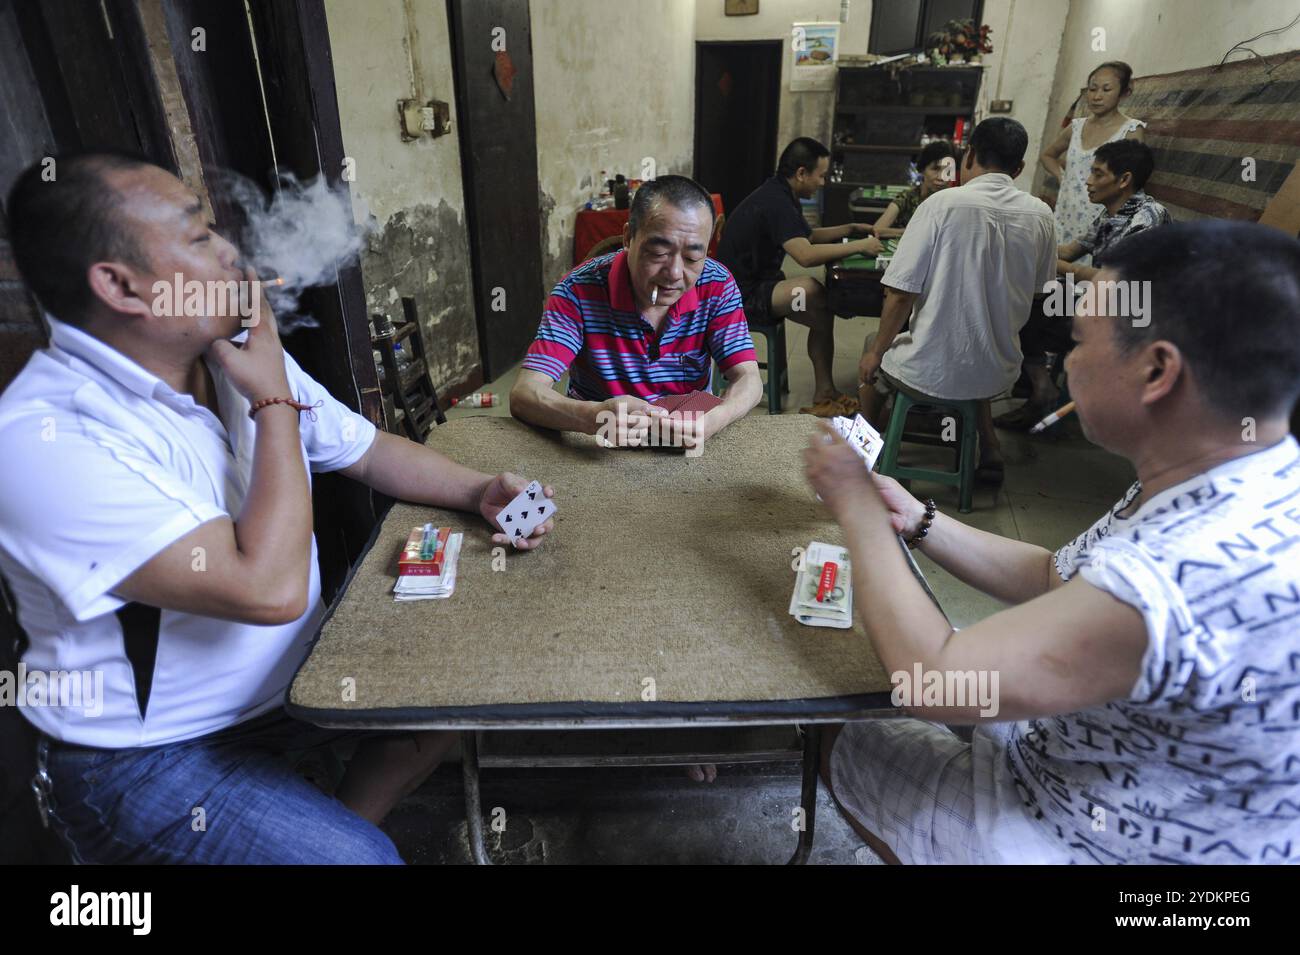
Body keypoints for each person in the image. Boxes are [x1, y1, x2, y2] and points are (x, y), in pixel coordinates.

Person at [0, 152, 555, 864]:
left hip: (293, 691)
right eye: (199, 237)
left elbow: (365, 451)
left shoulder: (222, 352)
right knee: (360, 863)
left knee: (453, 696)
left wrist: (479, 489)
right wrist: (271, 403)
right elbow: (269, 590)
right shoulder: (40, 440)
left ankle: (331, 826)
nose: (232, 250)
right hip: (149, 758)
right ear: (120, 285)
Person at [807, 220, 1300, 864]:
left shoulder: (1181, 571)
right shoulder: (1240, 470)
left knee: (832, 727)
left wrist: (857, 511)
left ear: (1157, 370)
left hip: (1097, 848)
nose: (1068, 363)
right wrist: (916, 519)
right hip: (1091, 764)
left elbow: (934, 682)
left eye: (1078, 341)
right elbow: (1053, 576)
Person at [857, 118, 1056, 482]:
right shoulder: (1041, 215)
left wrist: (874, 355)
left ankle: (864, 454)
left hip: (932, 370)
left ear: (969, 155)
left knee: (874, 349)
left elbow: (901, 295)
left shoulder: (941, 205)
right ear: (1020, 167)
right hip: (998, 372)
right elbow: (1040, 292)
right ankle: (990, 449)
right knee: (973, 356)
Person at [511, 175, 762, 451]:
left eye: (692, 257)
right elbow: (525, 394)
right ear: (628, 237)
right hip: (599, 444)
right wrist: (593, 416)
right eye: (658, 252)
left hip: (687, 435)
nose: (675, 274)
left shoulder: (716, 284)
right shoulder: (577, 292)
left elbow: (748, 378)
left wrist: (717, 419)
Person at [999, 139, 1172, 430]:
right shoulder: (1111, 213)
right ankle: (1037, 387)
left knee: (1029, 309)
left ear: (1124, 180)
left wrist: (1055, 266)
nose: (1088, 182)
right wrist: (1025, 246)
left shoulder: (1147, 217)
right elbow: (1069, 250)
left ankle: (1041, 390)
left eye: (1098, 174)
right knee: (1022, 299)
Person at [716, 137, 880, 417]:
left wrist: (849, 228)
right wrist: (859, 245)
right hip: (737, 295)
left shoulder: (782, 193)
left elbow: (806, 235)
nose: (823, 183)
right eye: (821, 176)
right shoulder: (776, 200)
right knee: (812, 293)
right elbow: (804, 254)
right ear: (802, 173)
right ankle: (824, 393)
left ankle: (825, 392)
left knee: (820, 306)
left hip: (757, 283)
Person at [1040, 61, 1147, 264]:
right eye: (1092, 89)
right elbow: (1048, 155)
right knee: (1055, 273)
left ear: (1125, 93)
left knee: (1088, 282)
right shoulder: (1077, 127)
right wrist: (1063, 178)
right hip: (1067, 212)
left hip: (1100, 215)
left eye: (1106, 89)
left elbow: (1133, 183)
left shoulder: (1131, 130)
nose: (1097, 96)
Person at [869, 140, 958, 239]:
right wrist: (917, 232)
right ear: (922, 169)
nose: (941, 177)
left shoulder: (954, 202)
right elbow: (876, 230)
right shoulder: (907, 197)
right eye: (935, 169)